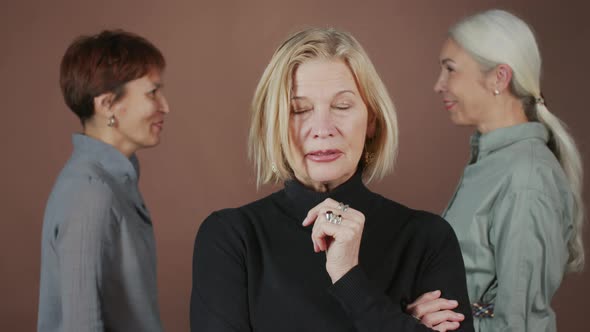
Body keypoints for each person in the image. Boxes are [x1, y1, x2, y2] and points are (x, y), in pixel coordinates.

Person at [190, 27, 473, 332]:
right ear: (273, 124)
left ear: (371, 121)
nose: (322, 128)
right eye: (299, 109)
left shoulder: (427, 238)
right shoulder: (231, 238)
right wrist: (401, 323)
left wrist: (349, 278)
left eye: (341, 106)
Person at [420, 9, 584, 332]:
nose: (439, 85)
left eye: (450, 70)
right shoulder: (492, 161)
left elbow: (519, 325)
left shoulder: (527, 177)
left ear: (499, 77)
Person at [38, 30, 170, 332]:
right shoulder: (90, 193)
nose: (165, 106)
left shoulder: (110, 181)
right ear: (107, 104)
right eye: (152, 92)